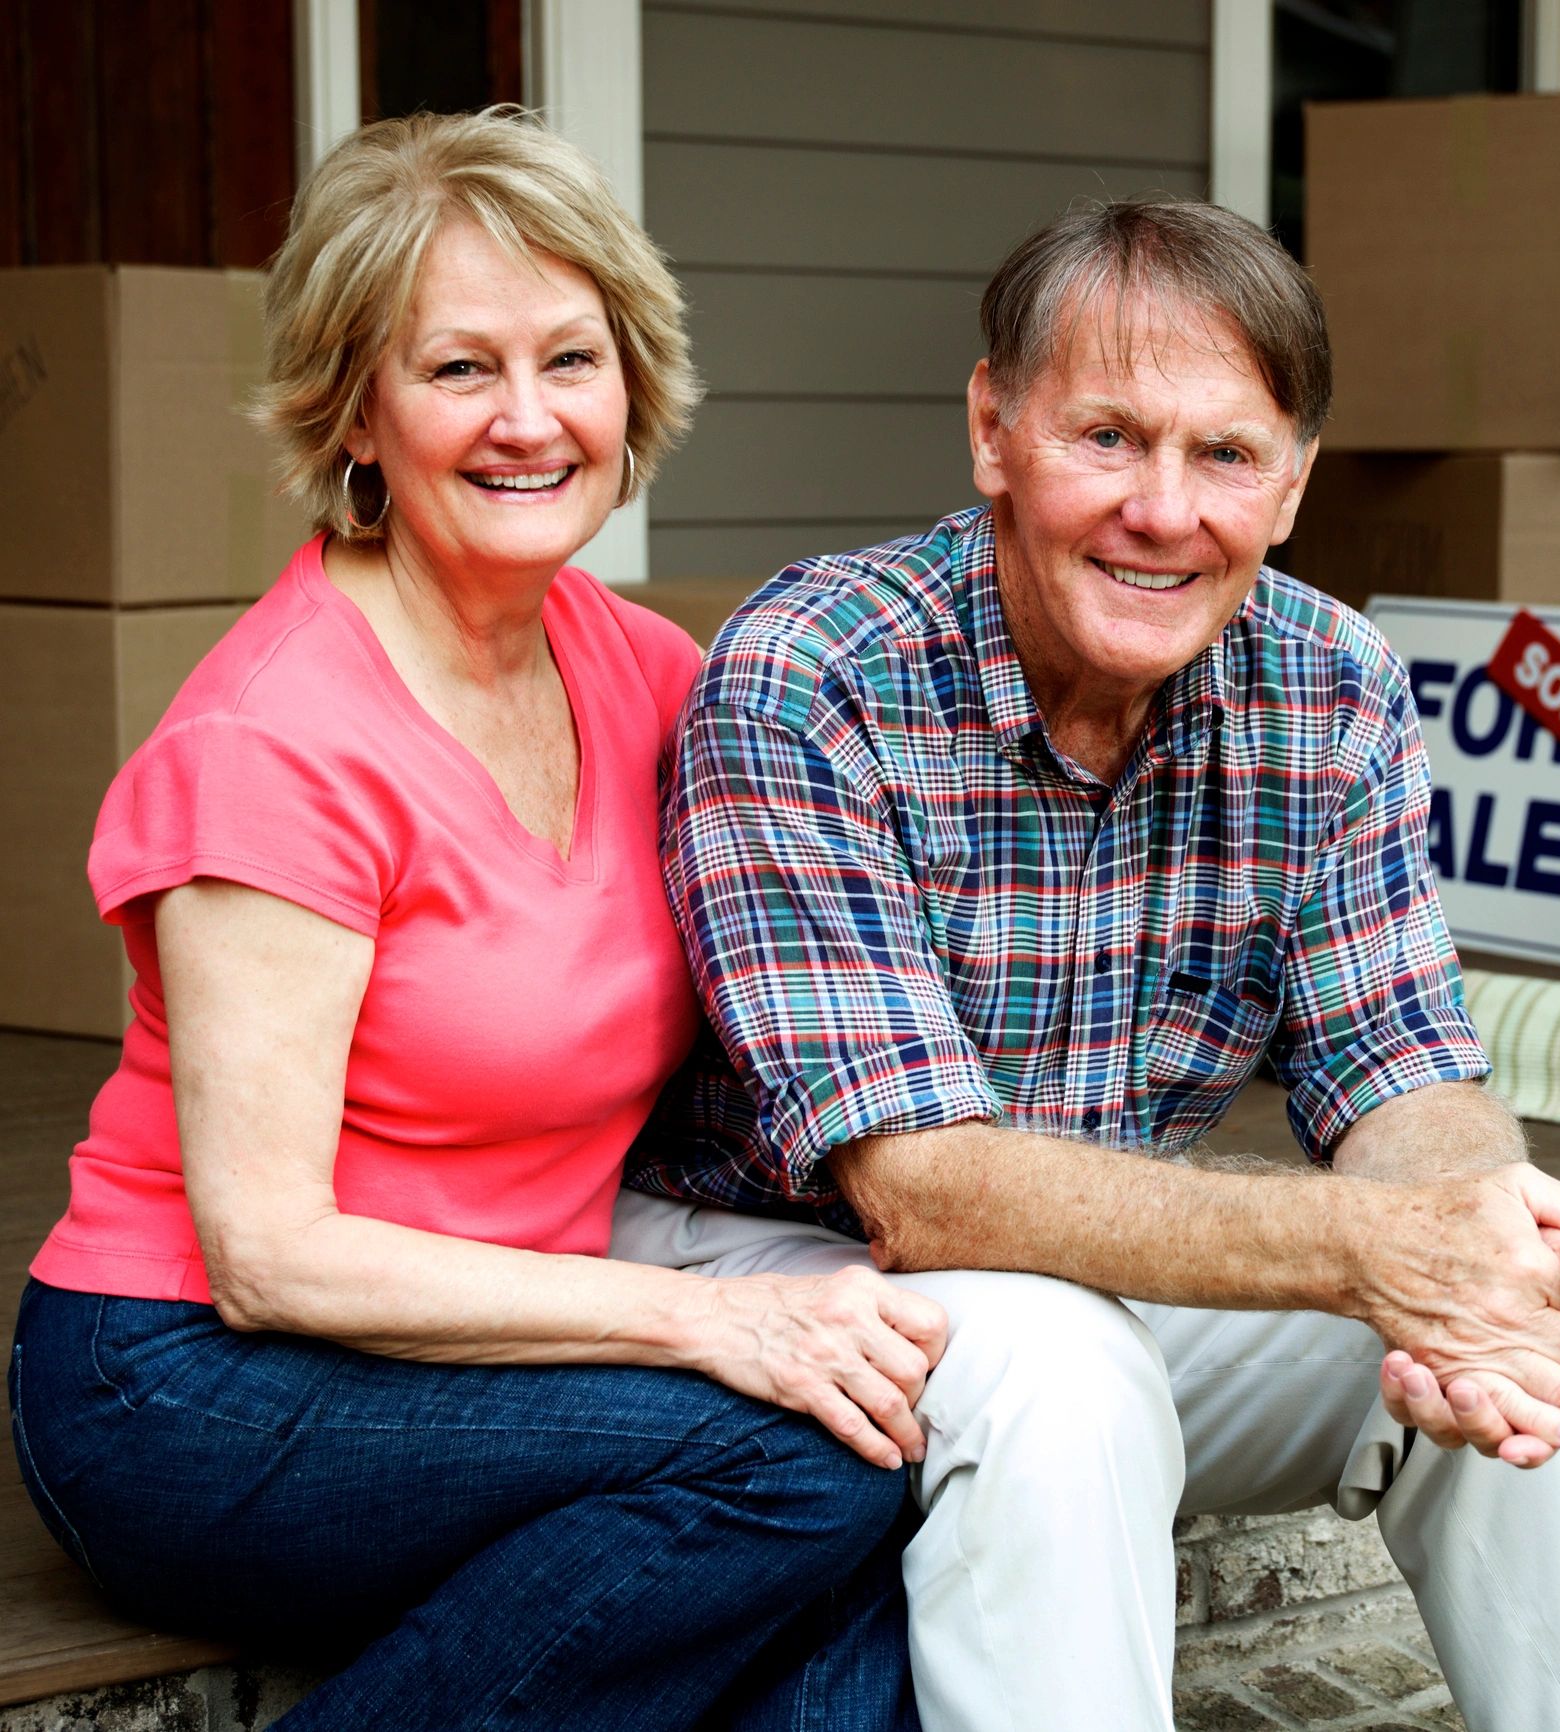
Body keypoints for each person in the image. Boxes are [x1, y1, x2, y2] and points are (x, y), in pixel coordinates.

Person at [617, 200, 1560, 1731]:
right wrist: (1366, 1251)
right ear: (994, 430)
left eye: (1225, 455)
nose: (1162, 509)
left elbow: (1400, 1059)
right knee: (1068, 1370)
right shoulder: (811, 674)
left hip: (1079, 1265)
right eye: (1108, 438)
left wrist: (1463, 1238)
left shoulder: (1329, 679)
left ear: (1295, 482)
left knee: (1520, 1327)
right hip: (767, 1263)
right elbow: (919, 1191)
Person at [7, 108, 944, 1732]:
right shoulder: (278, 744)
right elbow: (270, 1256)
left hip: (483, 1348)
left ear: (631, 386)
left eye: (570, 360)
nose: (529, 421)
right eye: (458, 371)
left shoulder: (645, 674)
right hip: (185, 1382)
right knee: (798, 1458)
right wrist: (718, 1322)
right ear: (355, 412)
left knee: (874, 1454)